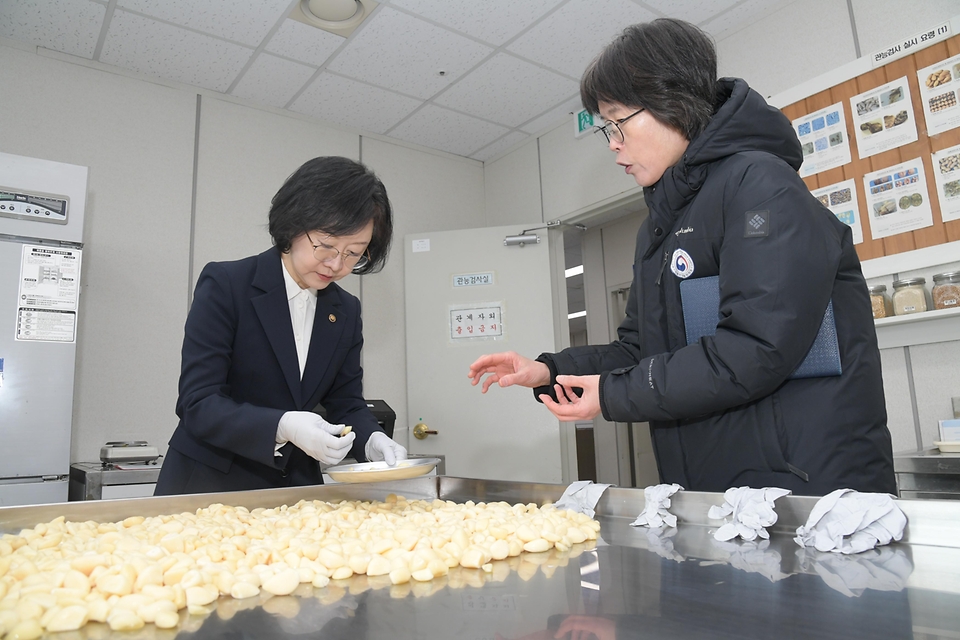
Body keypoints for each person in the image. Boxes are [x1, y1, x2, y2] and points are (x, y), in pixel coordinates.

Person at [468, 19, 895, 497]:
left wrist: (610, 395)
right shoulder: (659, 227)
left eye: (618, 121)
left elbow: (756, 349)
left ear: (672, 102)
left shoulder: (761, 187)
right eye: (604, 128)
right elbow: (639, 349)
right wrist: (550, 370)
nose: (612, 144)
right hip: (718, 483)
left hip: (803, 486)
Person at [155, 156, 406, 495]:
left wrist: (371, 438)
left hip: (295, 488)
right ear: (293, 224)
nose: (336, 264)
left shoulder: (344, 309)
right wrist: (282, 425)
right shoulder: (228, 284)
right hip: (210, 483)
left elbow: (346, 403)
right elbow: (199, 403)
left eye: (353, 253)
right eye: (326, 246)